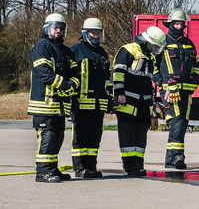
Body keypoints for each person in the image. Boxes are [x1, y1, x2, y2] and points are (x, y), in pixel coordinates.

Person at [27, 13, 79, 183]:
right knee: (47, 137)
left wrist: (73, 84)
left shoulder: (66, 51)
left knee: (58, 136)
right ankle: (42, 172)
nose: (58, 31)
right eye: (55, 27)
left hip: (60, 105)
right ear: (47, 28)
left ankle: (52, 167)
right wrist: (65, 85)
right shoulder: (41, 47)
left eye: (61, 28)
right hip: (44, 103)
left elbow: (75, 73)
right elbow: (44, 73)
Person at [112, 26, 166, 176]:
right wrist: (119, 92)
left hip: (144, 104)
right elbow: (118, 72)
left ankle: (138, 166)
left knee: (141, 136)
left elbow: (148, 81)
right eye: (154, 46)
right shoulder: (127, 50)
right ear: (147, 42)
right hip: (128, 102)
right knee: (128, 135)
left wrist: (152, 104)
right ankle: (130, 168)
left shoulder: (149, 56)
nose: (155, 49)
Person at [156, 9, 199, 169]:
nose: (180, 26)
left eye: (182, 23)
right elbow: (153, 64)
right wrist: (160, 81)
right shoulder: (163, 42)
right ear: (170, 24)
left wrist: (196, 80)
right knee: (177, 121)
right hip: (170, 90)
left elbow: (196, 65)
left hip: (186, 91)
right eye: (177, 23)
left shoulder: (189, 43)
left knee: (182, 122)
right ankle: (176, 157)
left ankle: (172, 159)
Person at [70, 17, 112, 178]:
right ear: (85, 33)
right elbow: (72, 76)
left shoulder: (102, 53)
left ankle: (91, 166)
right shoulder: (75, 50)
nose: (96, 35)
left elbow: (107, 78)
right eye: (93, 32)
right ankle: (80, 168)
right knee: (80, 137)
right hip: (81, 103)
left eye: (98, 32)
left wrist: (109, 98)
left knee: (95, 138)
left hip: (99, 104)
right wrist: (72, 99)